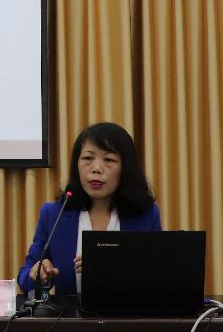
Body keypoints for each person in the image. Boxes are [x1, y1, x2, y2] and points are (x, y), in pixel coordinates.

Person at [17, 122, 161, 296]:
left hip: (129, 312)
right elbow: (24, 278)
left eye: (109, 160)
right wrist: (37, 275)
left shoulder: (145, 215)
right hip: (71, 314)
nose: (96, 169)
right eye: (87, 158)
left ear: (125, 167)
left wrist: (114, 267)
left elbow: (158, 277)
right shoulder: (54, 214)